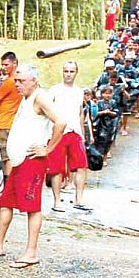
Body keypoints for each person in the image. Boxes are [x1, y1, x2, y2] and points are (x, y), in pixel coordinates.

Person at [0, 65, 65, 268]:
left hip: (32, 161)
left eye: (21, 81)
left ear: (33, 80)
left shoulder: (40, 97)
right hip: (18, 161)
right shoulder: (26, 98)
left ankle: (31, 252)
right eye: (16, 80)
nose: (17, 84)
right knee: (6, 202)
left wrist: (48, 149)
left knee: (32, 207)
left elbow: (61, 121)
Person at [47, 61, 90, 212]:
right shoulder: (54, 90)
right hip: (59, 131)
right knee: (57, 168)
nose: (68, 74)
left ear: (76, 72)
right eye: (66, 71)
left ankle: (79, 199)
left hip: (75, 131)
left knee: (81, 166)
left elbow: (80, 112)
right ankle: (57, 200)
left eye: (71, 71)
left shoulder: (79, 91)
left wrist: (83, 134)